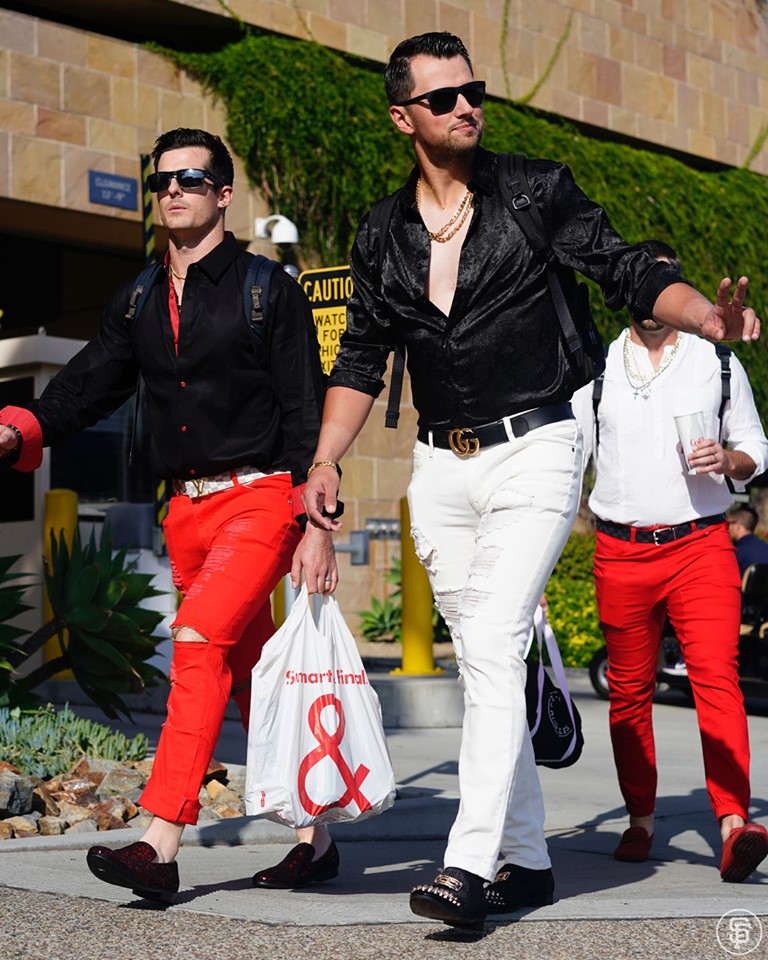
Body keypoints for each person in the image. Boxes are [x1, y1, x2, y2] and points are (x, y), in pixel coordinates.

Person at [295, 32, 761, 930]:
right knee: (483, 659)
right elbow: (359, 355)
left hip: (539, 445)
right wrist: (325, 460)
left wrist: (703, 312)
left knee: (499, 634)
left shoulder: (535, 190)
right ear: (404, 118)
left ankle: (468, 865)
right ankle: (531, 855)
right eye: (443, 97)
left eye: (474, 89)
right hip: (439, 464)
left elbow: (626, 265)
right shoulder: (382, 232)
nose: (466, 105)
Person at [0, 128, 339, 903]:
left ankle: (159, 840)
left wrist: (315, 527)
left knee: (194, 643)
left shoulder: (266, 289)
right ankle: (314, 837)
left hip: (259, 499)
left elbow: (304, 410)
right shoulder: (140, 295)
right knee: (250, 676)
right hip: (185, 514)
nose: (173, 189)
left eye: (191, 178)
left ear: (224, 194)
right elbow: (86, 385)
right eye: (162, 182)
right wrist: (18, 428)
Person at [572, 239, 768, 884]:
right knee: (629, 693)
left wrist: (731, 463)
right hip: (620, 550)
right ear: (626, 290)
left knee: (717, 677)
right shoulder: (596, 369)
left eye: (665, 282)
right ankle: (641, 817)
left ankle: (734, 822)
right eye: (642, 283)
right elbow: (565, 466)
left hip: (701, 545)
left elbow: (755, 448)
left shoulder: (715, 361)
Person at [727, 504, 768, 575]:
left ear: (738, 525)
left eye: (728, 523)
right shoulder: (765, 547)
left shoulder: (736, 553)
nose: (727, 528)